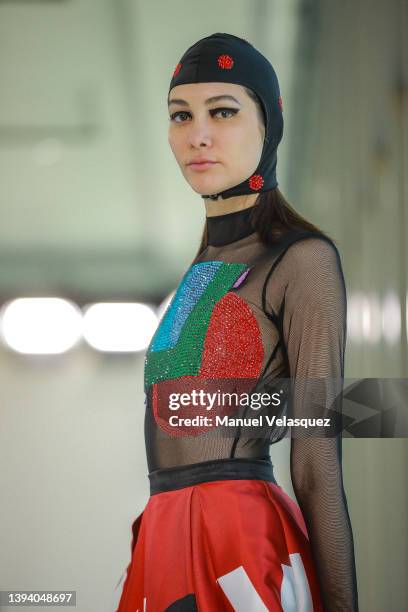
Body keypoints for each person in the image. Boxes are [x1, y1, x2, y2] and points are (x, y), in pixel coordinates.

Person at [116, 33, 359, 611]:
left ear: (269, 124)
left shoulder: (300, 258)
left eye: (222, 111)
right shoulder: (205, 265)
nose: (198, 134)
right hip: (163, 532)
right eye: (181, 115)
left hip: (239, 543)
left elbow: (316, 459)